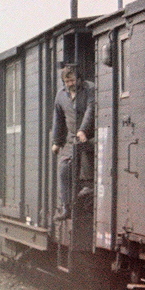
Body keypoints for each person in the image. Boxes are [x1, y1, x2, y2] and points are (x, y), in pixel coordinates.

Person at [51, 64, 95, 221]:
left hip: (90, 135)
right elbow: (58, 119)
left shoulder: (90, 89)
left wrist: (83, 130)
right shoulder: (60, 95)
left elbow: (91, 110)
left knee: (86, 160)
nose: (69, 84)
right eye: (66, 81)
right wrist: (57, 141)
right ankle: (66, 207)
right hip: (71, 138)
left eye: (72, 80)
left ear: (79, 79)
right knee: (63, 169)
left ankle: (88, 190)